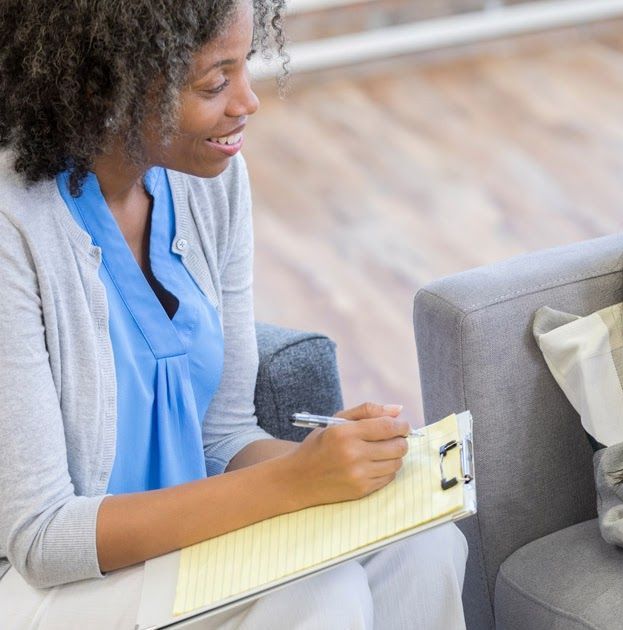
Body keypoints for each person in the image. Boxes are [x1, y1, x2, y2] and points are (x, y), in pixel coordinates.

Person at [0, 2, 467, 628]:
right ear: (103, 81)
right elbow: (41, 537)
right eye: (214, 83)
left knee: (425, 543)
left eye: (244, 66)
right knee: (321, 599)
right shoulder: (15, 227)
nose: (248, 101)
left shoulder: (211, 181)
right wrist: (294, 483)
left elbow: (221, 436)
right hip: (43, 587)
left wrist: (345, 463)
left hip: (182, 548)